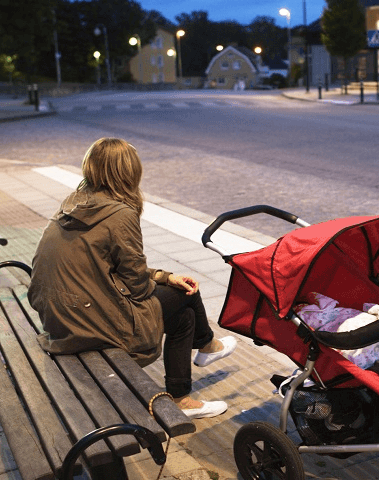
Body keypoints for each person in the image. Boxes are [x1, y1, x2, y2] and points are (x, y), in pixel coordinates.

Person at [28, 138, 236, 419]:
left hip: (60, 315)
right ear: (129, 172)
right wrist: (164, 281)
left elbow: (108, 270)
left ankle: (187, 390)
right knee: (186, 295)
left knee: (181, 310)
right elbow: (136, 287)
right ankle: (205, 347)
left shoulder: (76, 204)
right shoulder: (120, 213)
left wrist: (164, 276)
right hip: (88, 324)